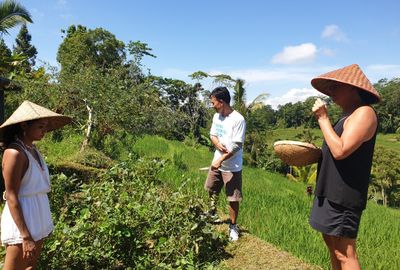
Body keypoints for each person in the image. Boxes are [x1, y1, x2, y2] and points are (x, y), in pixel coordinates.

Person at [309, 64, 380, 270]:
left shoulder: (364, 113)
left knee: (345, 252)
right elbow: (334, 149)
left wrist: (323, 119)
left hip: (344, 195)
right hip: (328, 191)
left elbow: (341, 150)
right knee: (332, 247)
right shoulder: (346, 116)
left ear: (352, 88)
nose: (330, 93)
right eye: (329, 89)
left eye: (335, 88)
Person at [0, 101, 71, 269]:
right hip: (23, 219)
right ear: (24, 125)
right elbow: (11, 195)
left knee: (29, 267)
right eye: (41, 126)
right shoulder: (15, 153)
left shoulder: (32, 150)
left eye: (46, 127)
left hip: (37, 214)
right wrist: (25, 236)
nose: (44, 131)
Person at [204, 86, 246, 241]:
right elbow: (213, 134)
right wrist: (216, 144)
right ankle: (212, 212)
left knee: (233, 199)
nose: (212, 105)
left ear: (221, 102)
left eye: (213, 102)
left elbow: (236, 146)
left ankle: (233, 226)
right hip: (217, 162)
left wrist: (220, 160)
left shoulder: (238, 119)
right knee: (211, 189)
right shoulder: (217, 117)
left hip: (232, 167)